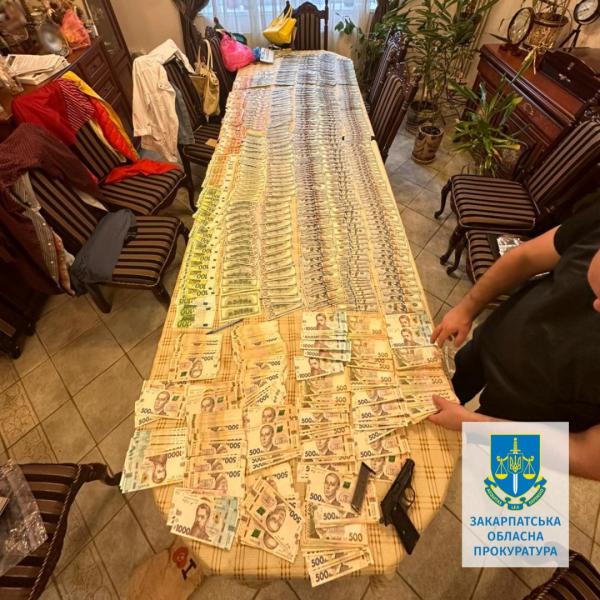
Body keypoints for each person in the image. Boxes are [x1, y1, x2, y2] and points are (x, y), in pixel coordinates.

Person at [429, 200, 600, 481]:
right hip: (493, 342)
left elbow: (590, 457)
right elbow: (526, 257)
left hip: (537, 413)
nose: (594, 306)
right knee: (440, 405)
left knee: (484, 476)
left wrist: (471, 425)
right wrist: (467, 308)